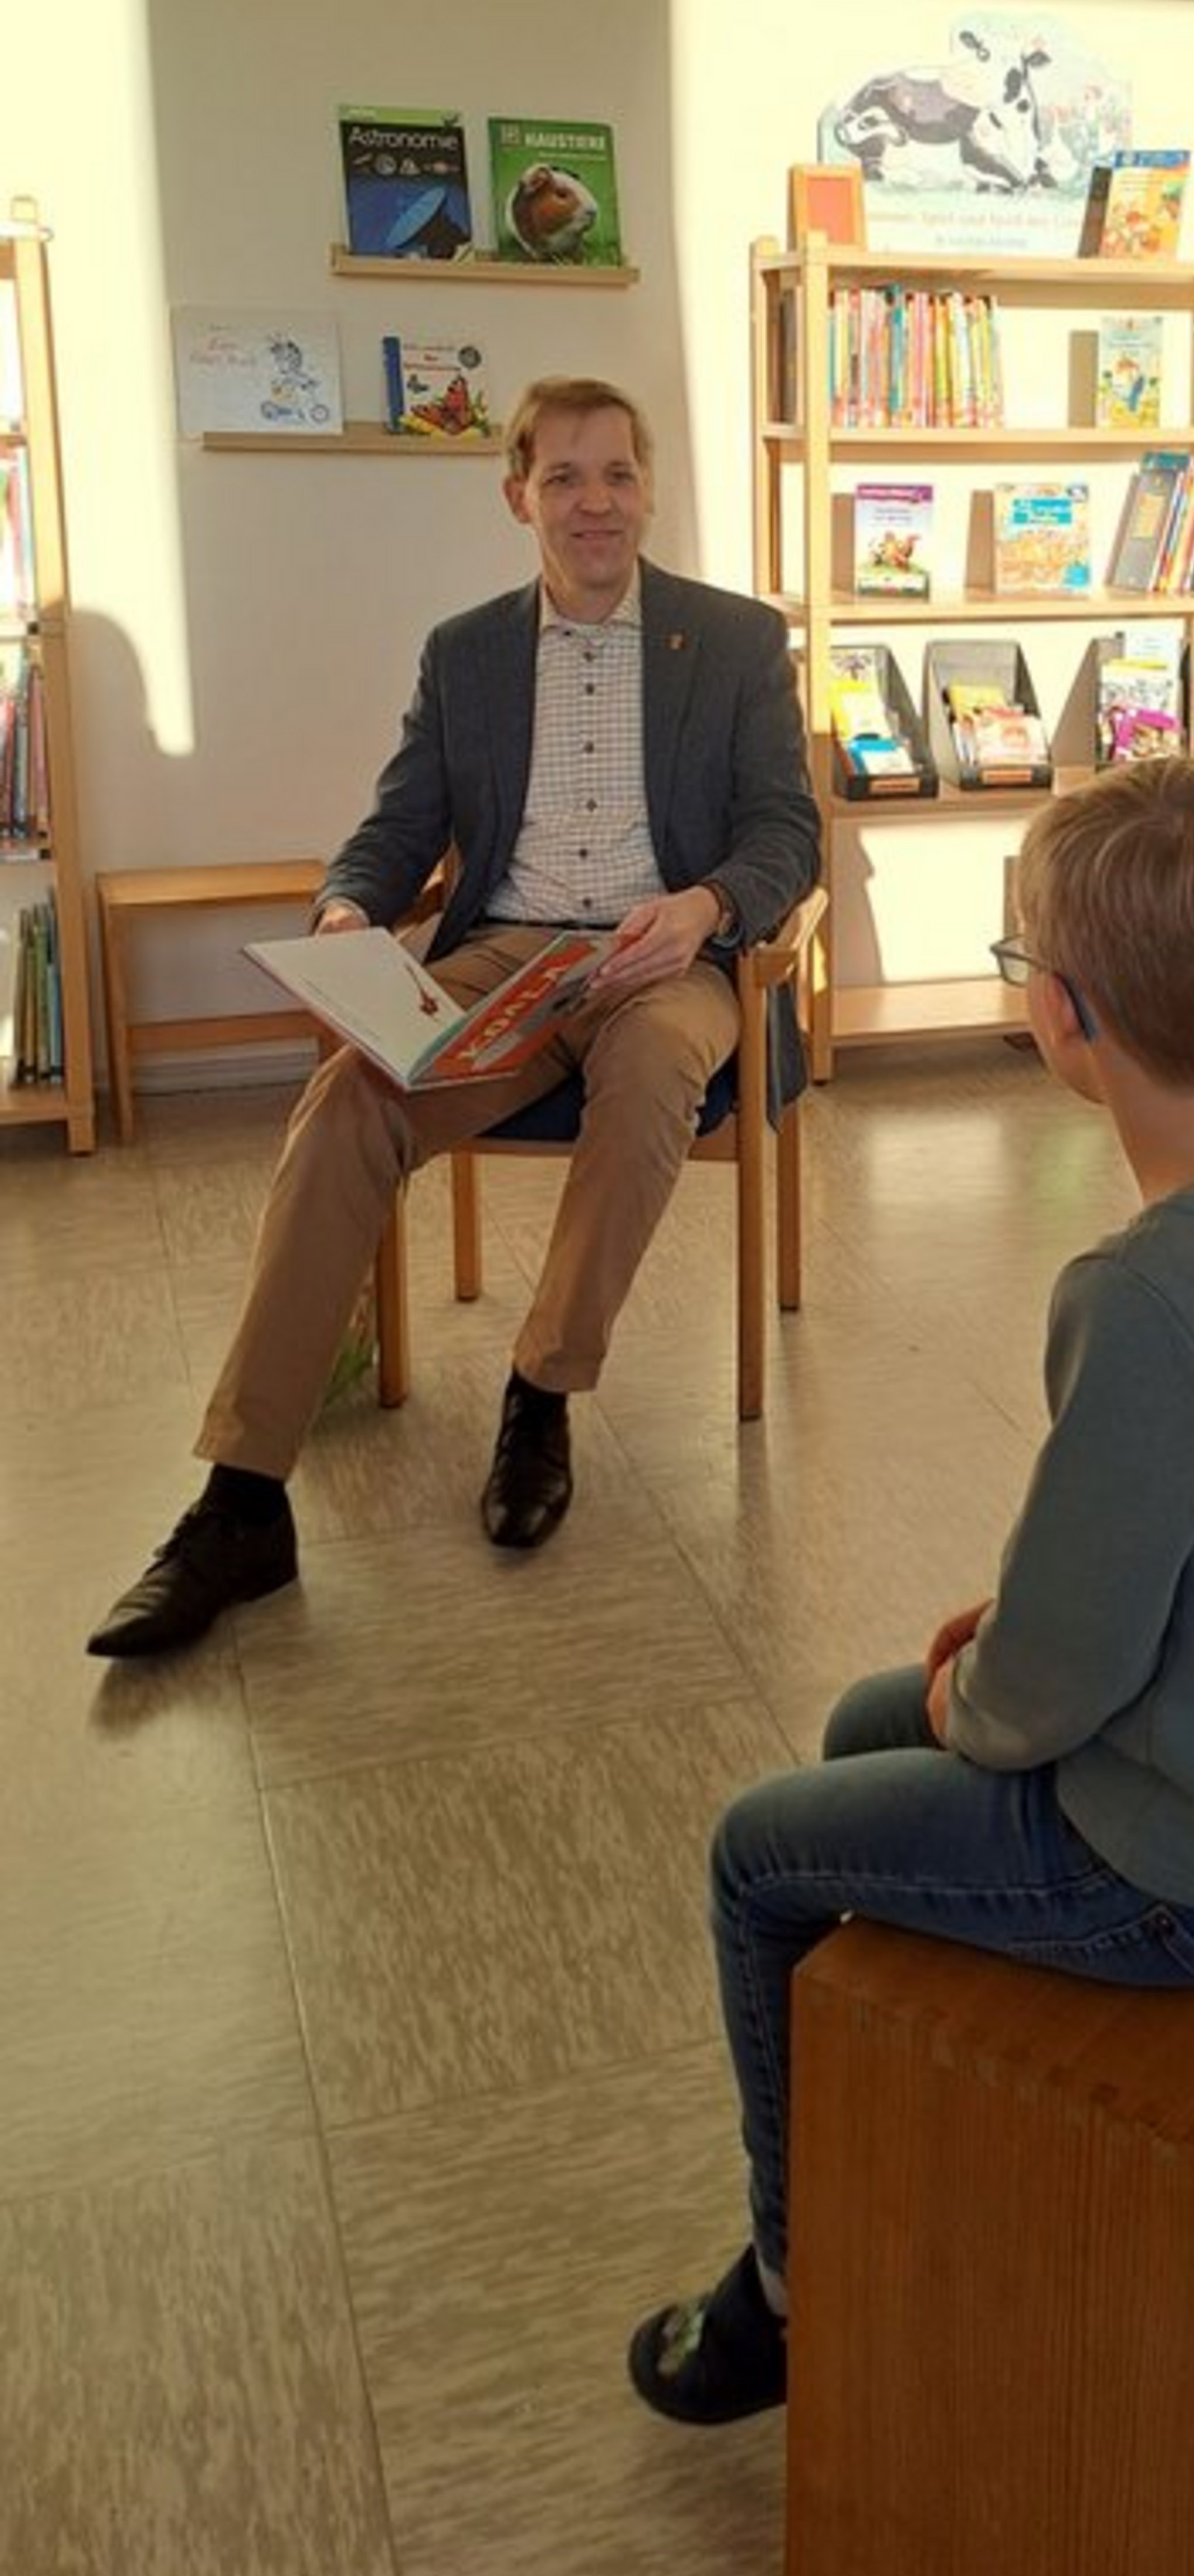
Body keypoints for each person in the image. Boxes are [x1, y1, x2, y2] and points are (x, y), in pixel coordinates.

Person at [626, 754, 1194, 2429]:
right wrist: (982, 1672)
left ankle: (793, 2278)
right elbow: (1166, 1563)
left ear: (1069, 1017)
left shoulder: (1146, 1293)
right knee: (863, 1720)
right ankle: (891, 2142)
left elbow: (1046, 1685)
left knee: (757, 1847)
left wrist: (976, 1690)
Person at [87, 376, 819, 1659]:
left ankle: (541, 1391)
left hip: (669, 960)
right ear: (517, 495)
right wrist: (344, 910)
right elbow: (399, 824)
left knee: (648, 1081)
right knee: (350, 1100)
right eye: (564, 478)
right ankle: (244, 1493)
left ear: (649, 487)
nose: (594, 504)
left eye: (617, 475)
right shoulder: (465, 651)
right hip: (505, 954)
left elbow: (785, 834)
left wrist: (705, 905)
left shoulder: (740, 640)